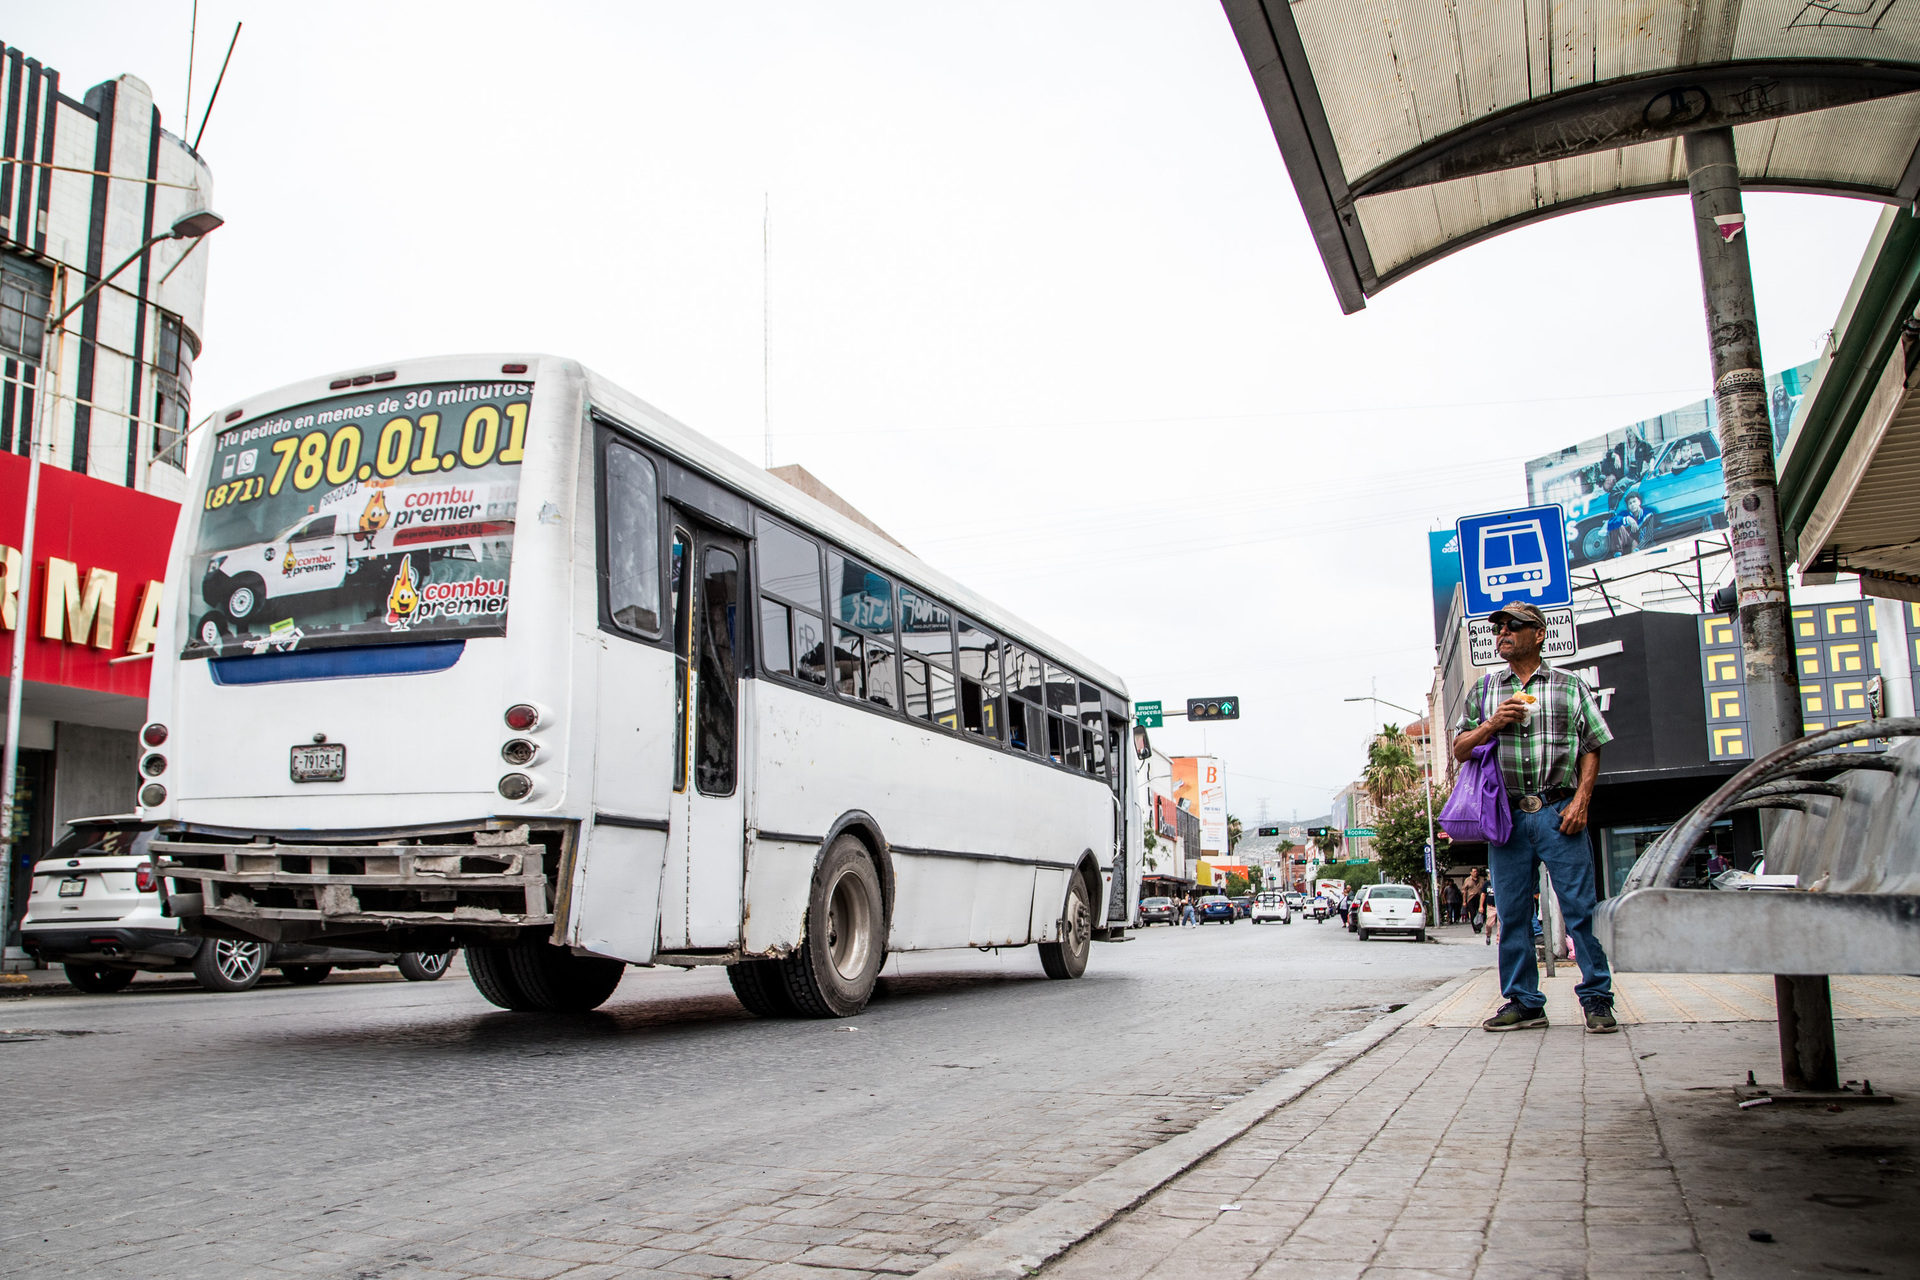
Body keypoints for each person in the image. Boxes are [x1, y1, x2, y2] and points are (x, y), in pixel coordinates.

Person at [1453, 600, 1620, 1034]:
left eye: (1512, 626)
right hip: (1506, 816)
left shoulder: (1569, 686)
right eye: (1498, 628)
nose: (1502, 633)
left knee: (1580, 910)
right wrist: (1492, 724)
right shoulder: (1486, 690)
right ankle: (1525, 1002)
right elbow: (1460, 749)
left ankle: (1598, 999)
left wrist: (1582, 800)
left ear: (1539, 633)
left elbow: (1592, 745)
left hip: (1557, 810)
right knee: (1511, 914)